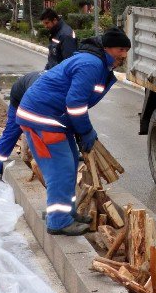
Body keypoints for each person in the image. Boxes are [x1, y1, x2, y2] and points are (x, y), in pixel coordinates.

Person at [16, 27, 129, 235]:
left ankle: (67, 213)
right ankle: (58, 222)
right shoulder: (91, 64)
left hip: (54, 119)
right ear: (107, 48)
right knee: (60, 170)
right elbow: (75, 104)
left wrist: (79, 130)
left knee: (69, 166)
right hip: (42, 119)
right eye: (120, 50)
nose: (124, 55)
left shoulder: (97, 63)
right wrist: (86, 131)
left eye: (126, 50)